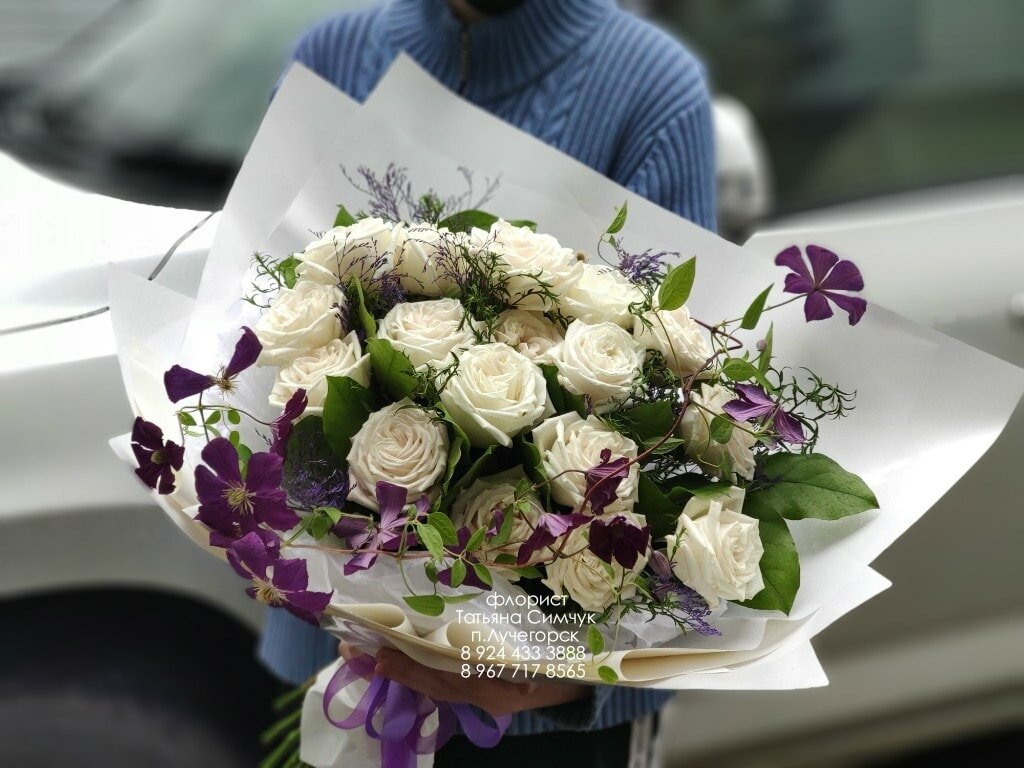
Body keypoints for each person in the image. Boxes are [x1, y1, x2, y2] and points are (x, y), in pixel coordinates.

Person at [260, 1, 716, 765]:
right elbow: (265, 316)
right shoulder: (330, 56)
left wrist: (566, 686)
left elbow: (679, 432)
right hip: (328, 673)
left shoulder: (648, 88)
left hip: (537, 720)